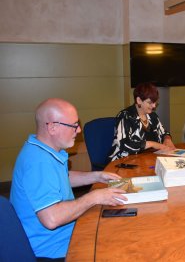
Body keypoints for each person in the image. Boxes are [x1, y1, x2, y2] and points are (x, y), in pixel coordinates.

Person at [10, 98, 127, 260]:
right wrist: (94, 197)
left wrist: (96, 176)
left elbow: (61, 178)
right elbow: (52, 219)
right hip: (54, 250)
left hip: (66, 234)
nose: (79, 130)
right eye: (73, 125)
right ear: (52, 127)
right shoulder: (38, 162)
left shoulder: (42, 148)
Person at [109, 82, 175, 161]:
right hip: (123, 162)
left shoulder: (153, 116)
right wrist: (152, 144)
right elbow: (124, 144)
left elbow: (164, 133)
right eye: (150, 102)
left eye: (155, 102)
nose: (154, 106)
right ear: (139, 100)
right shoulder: (125, 116)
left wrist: (167, 139)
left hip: (147, 159)